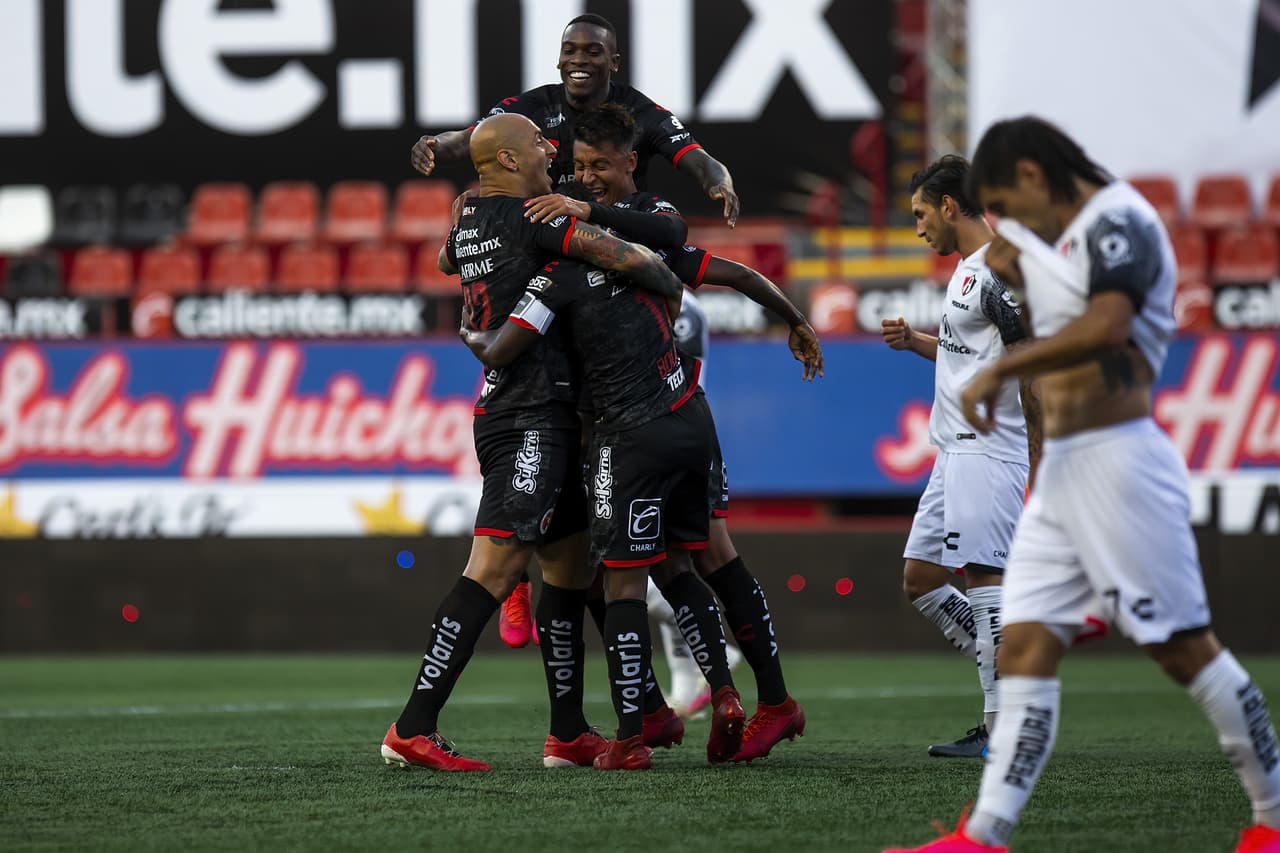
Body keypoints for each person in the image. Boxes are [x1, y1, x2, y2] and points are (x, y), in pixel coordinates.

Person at [884, 117, 1280, 853]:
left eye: (1005, 198)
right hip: (1066, 465)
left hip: (1121, 463)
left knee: (1186, 652)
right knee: (1025, 647)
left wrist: (1000, 367)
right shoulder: (1049, 245)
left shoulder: (1119, 221)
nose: (1004, 218)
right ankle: (985, 834)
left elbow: (1109, 321)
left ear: (1032, 176)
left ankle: (1272, 818)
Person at [379, 112, 684, 773]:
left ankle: (568, 731)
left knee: (570, 571)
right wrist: (664, 278)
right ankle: (413, 724)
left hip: (535, 413)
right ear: (511, 162)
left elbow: (445, 257)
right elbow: (628, 257)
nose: (551, 153)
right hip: (531, 416)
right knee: (492, 568)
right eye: (538, 147)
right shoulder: (535, 218)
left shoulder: (466, 218)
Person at [522, 104, 821, 762]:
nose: (587, 178)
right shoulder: (620, 230)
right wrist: (793, 316)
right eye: (579, 168)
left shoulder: (627, 226)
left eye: (599, 165)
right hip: (689, 416)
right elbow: (730, 271)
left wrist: (795, 317)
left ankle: (634, 734)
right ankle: (750, 697)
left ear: (632, 160)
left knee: (625, 581)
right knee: (698, 560)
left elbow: (675, 226)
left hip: (627, 435)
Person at [461, 251, 747, 770]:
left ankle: (626, 729)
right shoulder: (649, 282)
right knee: (665, 568)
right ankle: (692, 691)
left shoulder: (567, 281)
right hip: (679, 427)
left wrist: (475, 337)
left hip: (605, 435)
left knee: (612, 578)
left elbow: (502, 348)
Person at [880, 155, 1041, 758]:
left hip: (989, 449)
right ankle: (1011, 660)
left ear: (949, 206)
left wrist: (1039, 452)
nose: (918, 228)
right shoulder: (969, 272)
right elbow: (972, 357)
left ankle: (1004, 727)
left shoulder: (999, 270)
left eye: (921, 214)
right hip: (953, 451)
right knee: (921, 579)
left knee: (982, 580)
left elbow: (1032, 365)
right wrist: (916, 342)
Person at [411, 14, 740, 227]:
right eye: (569, 51)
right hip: (546, 230)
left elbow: (699, 160)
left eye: (592, 52)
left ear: (614, 62)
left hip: (621, 231)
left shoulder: (641, 112)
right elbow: (468, 139)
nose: (578, 60)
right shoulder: (530, 107)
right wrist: (434, 145)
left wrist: (718, 182)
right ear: (559, 60)